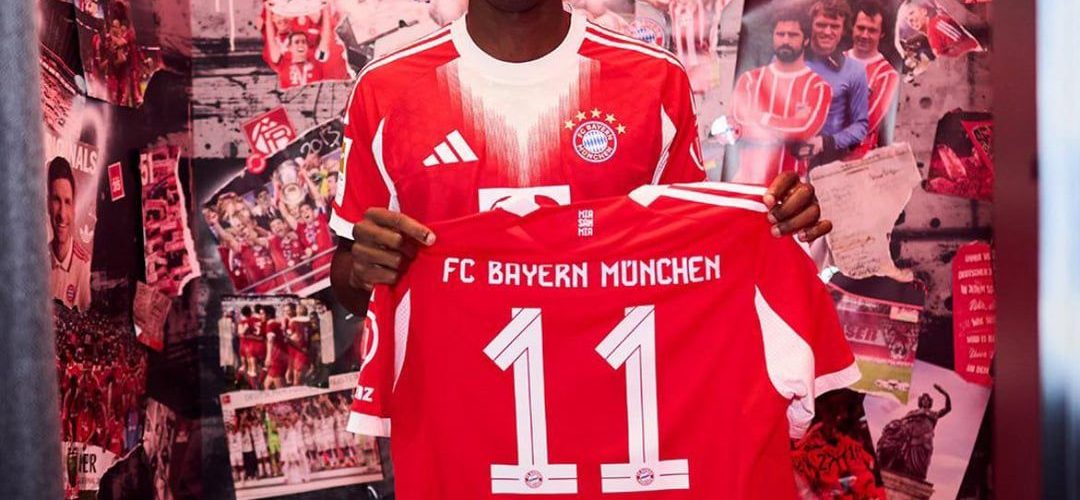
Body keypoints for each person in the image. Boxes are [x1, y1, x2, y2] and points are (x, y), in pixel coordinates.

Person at [329, 0, 830, 315]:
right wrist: (360, 271)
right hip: (454, 423)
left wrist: (771, 222)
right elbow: (350, 280)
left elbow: (693, 259)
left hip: (620, 424)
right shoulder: (386, 90)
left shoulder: (654, 80)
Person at [730, 10, 832, 185]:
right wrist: (790, 125)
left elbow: (804, 129)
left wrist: (759, 118)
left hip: (791, 190)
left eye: (793, 35)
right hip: (745, 183)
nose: (785, 40)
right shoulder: (749, 80)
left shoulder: (818, 87)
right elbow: (736, 127)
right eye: (780, 34)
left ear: (806, 40)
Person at [804, 0, 870, 165]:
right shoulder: (786, 61)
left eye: (834, 26)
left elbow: (860, 126)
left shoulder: (854, 70)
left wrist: (825, 143)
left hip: (827, 162)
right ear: (810, 25)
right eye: (821, 25)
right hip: (786, 158)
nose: (827, 32)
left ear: (843, 30)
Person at [845, 0, 900, 158]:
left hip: (860, 159)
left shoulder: (887, 75)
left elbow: (865, 123)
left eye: (872, 30)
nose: (864, 35)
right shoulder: (834, 62)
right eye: (861, 28)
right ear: (852, 27)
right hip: (823, 154)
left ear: (882, 34)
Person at [876, 383, 952, 480]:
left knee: (919, 467)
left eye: (927, 400)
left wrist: (945, 394)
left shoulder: (934, 414)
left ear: (930, 403)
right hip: (910, 439)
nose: (925, 401)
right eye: (923, 399)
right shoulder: (912, 412)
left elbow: (948, 408)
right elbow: (902, 422)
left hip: (924, 441)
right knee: (903, 461)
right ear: (920, 401)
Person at [48, 157, 92, 312]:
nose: (62, 214)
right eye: (56, 200)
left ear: (74, 208)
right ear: (48, 204)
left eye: (67, 202)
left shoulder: (85, 267)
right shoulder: (37, 261)